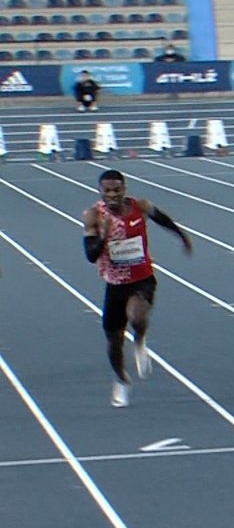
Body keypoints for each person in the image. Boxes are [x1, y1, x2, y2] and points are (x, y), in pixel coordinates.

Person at [81, 169, 193, 407]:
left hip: (142, 279)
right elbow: (90, 255)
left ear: (125, 189)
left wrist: (181, 236)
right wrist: (105, 236)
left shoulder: (139, 207)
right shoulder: (93, 216)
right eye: (107, 190)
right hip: (115, 285)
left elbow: (162, 218)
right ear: (100, 191)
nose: (112, 194)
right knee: (113, 342)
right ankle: (121, 379)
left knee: (137, 314)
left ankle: (140, 340)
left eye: (117, 190)